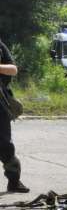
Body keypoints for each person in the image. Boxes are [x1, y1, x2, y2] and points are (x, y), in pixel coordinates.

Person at [0, 37, 28, 193]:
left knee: (4, 142)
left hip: (0, 102)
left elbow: (13, 70)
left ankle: (14, 181)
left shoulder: (0, 46)